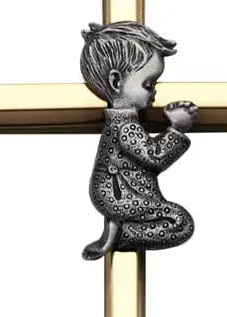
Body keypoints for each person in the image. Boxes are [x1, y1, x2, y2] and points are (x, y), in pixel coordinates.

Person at [80, 21, 197, 260]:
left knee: (176, 220)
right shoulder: (126, 127)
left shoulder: (122, 123)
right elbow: (154, 158)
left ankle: (120, 229)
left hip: (121, 194)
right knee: (180, 223)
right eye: (148, 84)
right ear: (116, 82)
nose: (155, 92)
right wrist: (177, 128)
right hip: (122, 196)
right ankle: (121, 234)